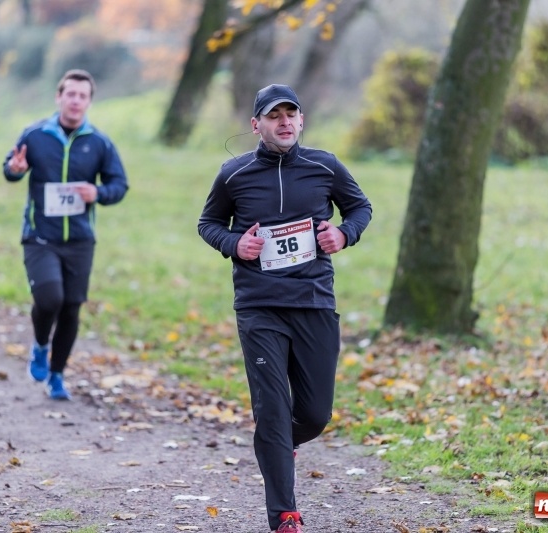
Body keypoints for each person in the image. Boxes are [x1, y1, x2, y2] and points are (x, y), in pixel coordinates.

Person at [198, 84, 372, 533]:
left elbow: (359, 208)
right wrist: (237, 244)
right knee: (273, 409)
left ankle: (279, 446)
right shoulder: (234, 174)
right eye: (275, 116)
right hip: (259, 307)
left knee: (314, 414)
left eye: (291, 114)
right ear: (257, 125)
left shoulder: (325, 166)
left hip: (314, 301)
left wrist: (344, 234)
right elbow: (208, 223)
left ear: (301, 120)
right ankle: (284, 515)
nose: (285, 122)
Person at [3, 69, 128, 400]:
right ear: (59, 97)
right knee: (49, 299)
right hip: (40, 236)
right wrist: (14, 170)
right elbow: (10, 168)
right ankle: (40, 346)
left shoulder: (99, 142)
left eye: (82, 96)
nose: (75, 101)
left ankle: (56, 375)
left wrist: (97, 193)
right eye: (70, 94)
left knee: (71, 308)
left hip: (80, 240)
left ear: (89, 101)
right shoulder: (35, 135)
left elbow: (119, 185)